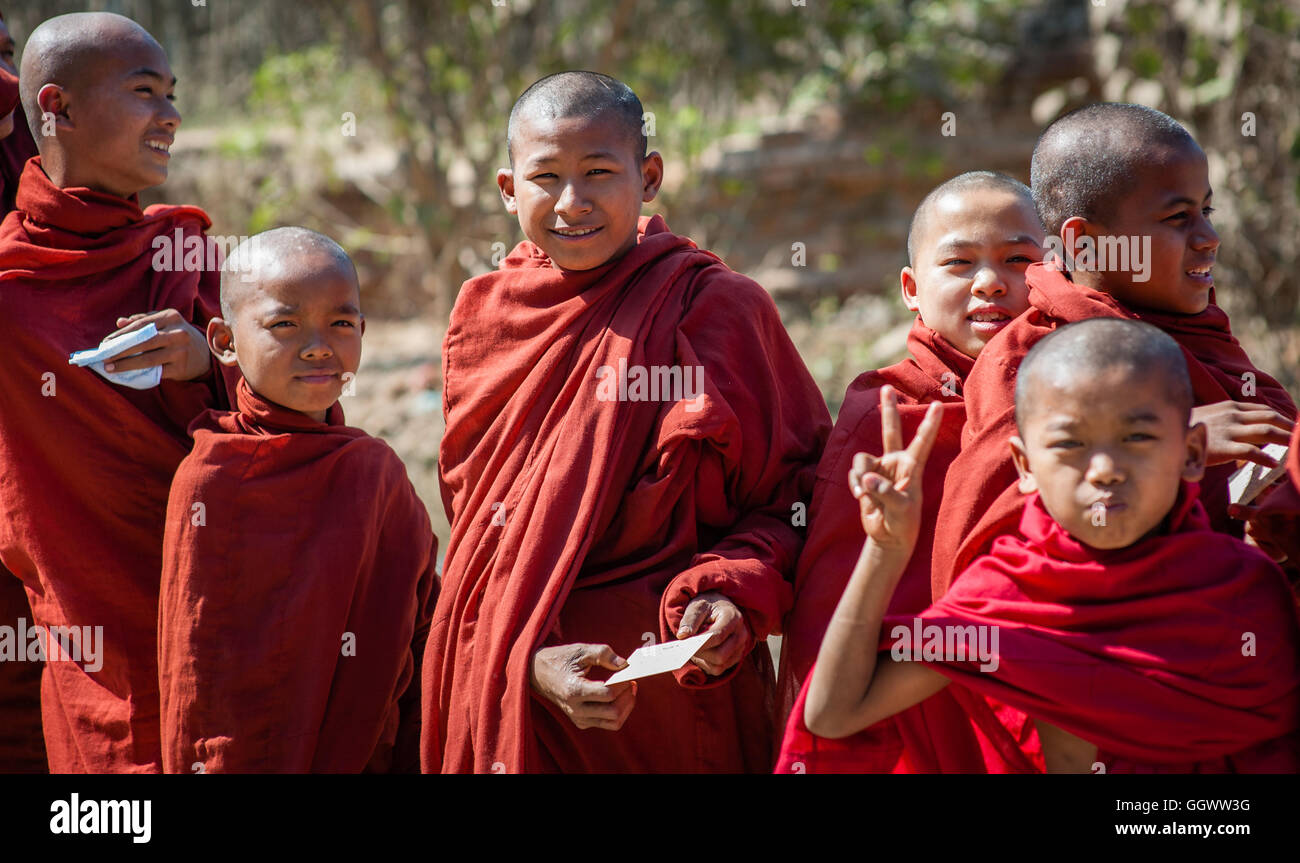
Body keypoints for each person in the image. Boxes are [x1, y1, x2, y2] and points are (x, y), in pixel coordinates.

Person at [424, 71, 830, 773]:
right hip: (527, 707)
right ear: (506, 188)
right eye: (544, 176)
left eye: (599, 172)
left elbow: (796, 501)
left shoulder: (718, 310)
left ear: (648, 177)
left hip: (679, 706)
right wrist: (529, 658)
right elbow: (481, 547)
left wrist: (734, 594)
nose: (571, 201)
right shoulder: (486, 320)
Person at [784, 318, 1300, 773]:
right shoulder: (1010, 589)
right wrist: (884, 552)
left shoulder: (1243, 593)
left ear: (1191, 453)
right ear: (1025, 466)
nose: (1104, 470)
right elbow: (834, 714)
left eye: (1137, 438)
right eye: (1071, 443)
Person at [931, 103, 1296, 600]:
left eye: (1205, 211)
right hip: (1112, 656)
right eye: (1178, 217)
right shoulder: (1034, 361)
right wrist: (1170, 446)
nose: (1209, 239)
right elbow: (983, 558)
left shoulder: (1197, 335)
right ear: (1082, 243)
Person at [0, 12, 235, 772]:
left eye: (172, 94)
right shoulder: (8, 287)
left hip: (219, 611)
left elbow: (296, 419)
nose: (169, 116)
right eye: (144, 92)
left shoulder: (182, 250)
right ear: (56, 107)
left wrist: (204, 364)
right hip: (89, 640)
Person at [775, 171, 1045, 772]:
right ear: (911, 288)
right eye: (958, 262)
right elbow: (828, 620)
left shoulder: (1081, 397)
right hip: (910, 729)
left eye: (1018, 258)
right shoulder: (887, 416)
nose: (989, 283)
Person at [158, 228, 438, 773]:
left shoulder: (373, 472)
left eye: (340, 323)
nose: (318, 346)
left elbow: (424, 621)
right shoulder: (212, 479)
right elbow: (198, 674)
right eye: (284, 324)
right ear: (223, 340)